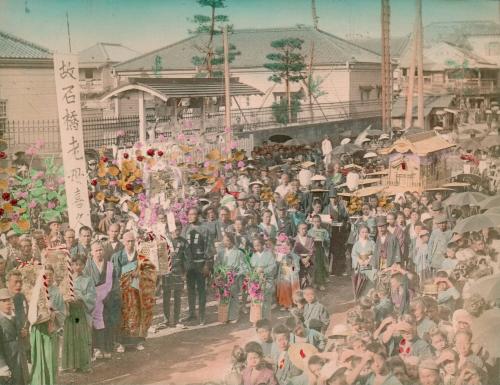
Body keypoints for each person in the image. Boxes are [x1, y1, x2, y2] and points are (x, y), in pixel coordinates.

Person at [111, 232, 157, 351]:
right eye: (128, 241)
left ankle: (138, 341)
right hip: (123, 291)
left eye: (132, 241)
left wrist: (139, 273)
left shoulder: (141, 256)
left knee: (137, 314)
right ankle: (121, 343)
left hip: (137, 291)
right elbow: (114, 274)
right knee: (123, 316)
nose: (130, 244)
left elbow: (149, 271)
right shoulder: (117, 256)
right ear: (123, 242)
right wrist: (126, 275)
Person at [30, 265, 65, 385]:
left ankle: (51, 382)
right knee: (39, 357)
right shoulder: (37, 290)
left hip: (51, 328)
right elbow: (32, 311)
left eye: (50, 274)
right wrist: (42, 315)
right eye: (46, 274)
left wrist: (55, 314)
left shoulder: (56, 291)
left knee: (50, 357)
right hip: (39, 328)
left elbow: (62, 310)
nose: (48, 277)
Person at [62, 256, 96, 373]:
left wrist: (81, 297)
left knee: (81, 335)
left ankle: (84, 364)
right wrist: (66, 299)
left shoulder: (88, 279)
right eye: (75, 264)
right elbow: (62, 293)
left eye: (80, 264)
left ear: (84, 265)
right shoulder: (67, 279)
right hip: (70, 311)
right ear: (71, 265)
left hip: (80, 312)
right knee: (71, 336)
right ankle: (72, 364)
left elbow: (91, 296)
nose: (78, 267)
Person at [84, 241, 114, 360]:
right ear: (91, 253)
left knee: (105, 323)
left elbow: (114, 283)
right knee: (92, 324)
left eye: (101, 250)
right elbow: (86, 283)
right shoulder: (88, 266)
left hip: (107, 298)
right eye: (96, 250)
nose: (99, 252)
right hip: (92, 299)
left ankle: (104, 348)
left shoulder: (110, 265)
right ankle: (94, 349)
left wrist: (108, 296)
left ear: (104, 251)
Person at [182, 208, 211, 326]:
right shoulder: (185, 229)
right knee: (190, 290)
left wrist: (207, 265)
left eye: (194, 214)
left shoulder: (205, 229)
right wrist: (183, 267)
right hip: (189, 265)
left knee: (201, 290)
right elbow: (182, 248)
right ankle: (191, 313)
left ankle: (202, 315)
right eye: (189, 214)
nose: (191, 216)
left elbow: (209, 247)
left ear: (198, 215)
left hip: (200, 263)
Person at [159, 222, 189, 328]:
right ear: (170, 230)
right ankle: (166, 320)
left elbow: (187, 258)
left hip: (178, 272)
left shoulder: (184, 242)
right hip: (167, 272)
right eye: (175, 230)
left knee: (177, 296)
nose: (177, 232)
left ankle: (177, 320)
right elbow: (160, 257)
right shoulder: (164, 242)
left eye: (179, 229)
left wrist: (184, 273)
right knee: (166, 296)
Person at [0, 288, 29, 385]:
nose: (7, 303)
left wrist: (23, 334)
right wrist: (2, 366)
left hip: (20, 360)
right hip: (8, 363)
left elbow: (19, 334)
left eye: (9, 300)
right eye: (3, 301)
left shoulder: (15, 317)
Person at [215, 233, 245, 323]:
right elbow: (216, 265)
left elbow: (243, 266)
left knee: (233, 296)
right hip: (223, 277)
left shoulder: (238, 252)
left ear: (232, 241)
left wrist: (237, 273)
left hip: (233, 276)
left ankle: (233, 316)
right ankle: (224, 316)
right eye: (224, 240)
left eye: (227, 240)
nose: (225, 242)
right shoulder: (221, 253)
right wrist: (218, 273)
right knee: (223, 296)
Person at [250, 237, 277, 321]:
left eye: (258, 245)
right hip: (256, 280)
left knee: (266, 300)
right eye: (255, 246)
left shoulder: (269, 254)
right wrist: (253, 274)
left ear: (262, 244)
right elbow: (251, 268)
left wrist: (263, 271)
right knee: (256, 300)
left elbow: (273, 266)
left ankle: (266, 319)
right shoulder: (254, 255)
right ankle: (257, 318)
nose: (257, 247)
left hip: (266, 280)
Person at [276, 237, 300, 311]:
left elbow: (296, 267)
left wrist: (291, 268)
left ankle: (291, 304)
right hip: (283, 273)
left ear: (292, 246)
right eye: (284, 246)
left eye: (288, 246)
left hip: (291, 274)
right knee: (284, 288)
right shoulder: (282, 255)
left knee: (291, 289)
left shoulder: (295, 256)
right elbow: (279, 263)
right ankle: (285, 303)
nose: (286, 248)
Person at [308, 215, 330, 291]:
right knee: (314, 266)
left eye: (318, 221)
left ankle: (321, 283)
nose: (316, 223)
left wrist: (324, 241)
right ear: (312, 222)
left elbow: (328, 240)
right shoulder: (310, 231)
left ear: (320, 222)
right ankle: (314, 283)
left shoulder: (324, 231)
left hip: (321, 250)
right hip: (312, 251)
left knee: (320, 265)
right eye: (315, 221)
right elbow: (307, 242)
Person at [294, 223, 315, 289]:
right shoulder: (295, 239)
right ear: (298, 230)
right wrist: (302, 259)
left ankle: (307, 289)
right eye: (302, 229)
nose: (304, 230)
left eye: (306, 228)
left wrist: (307, 259)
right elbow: (295, 251)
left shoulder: (310, 239)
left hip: (308, 259)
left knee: (308, 276)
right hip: (298, 259)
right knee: (300, 275)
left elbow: (312, 250)